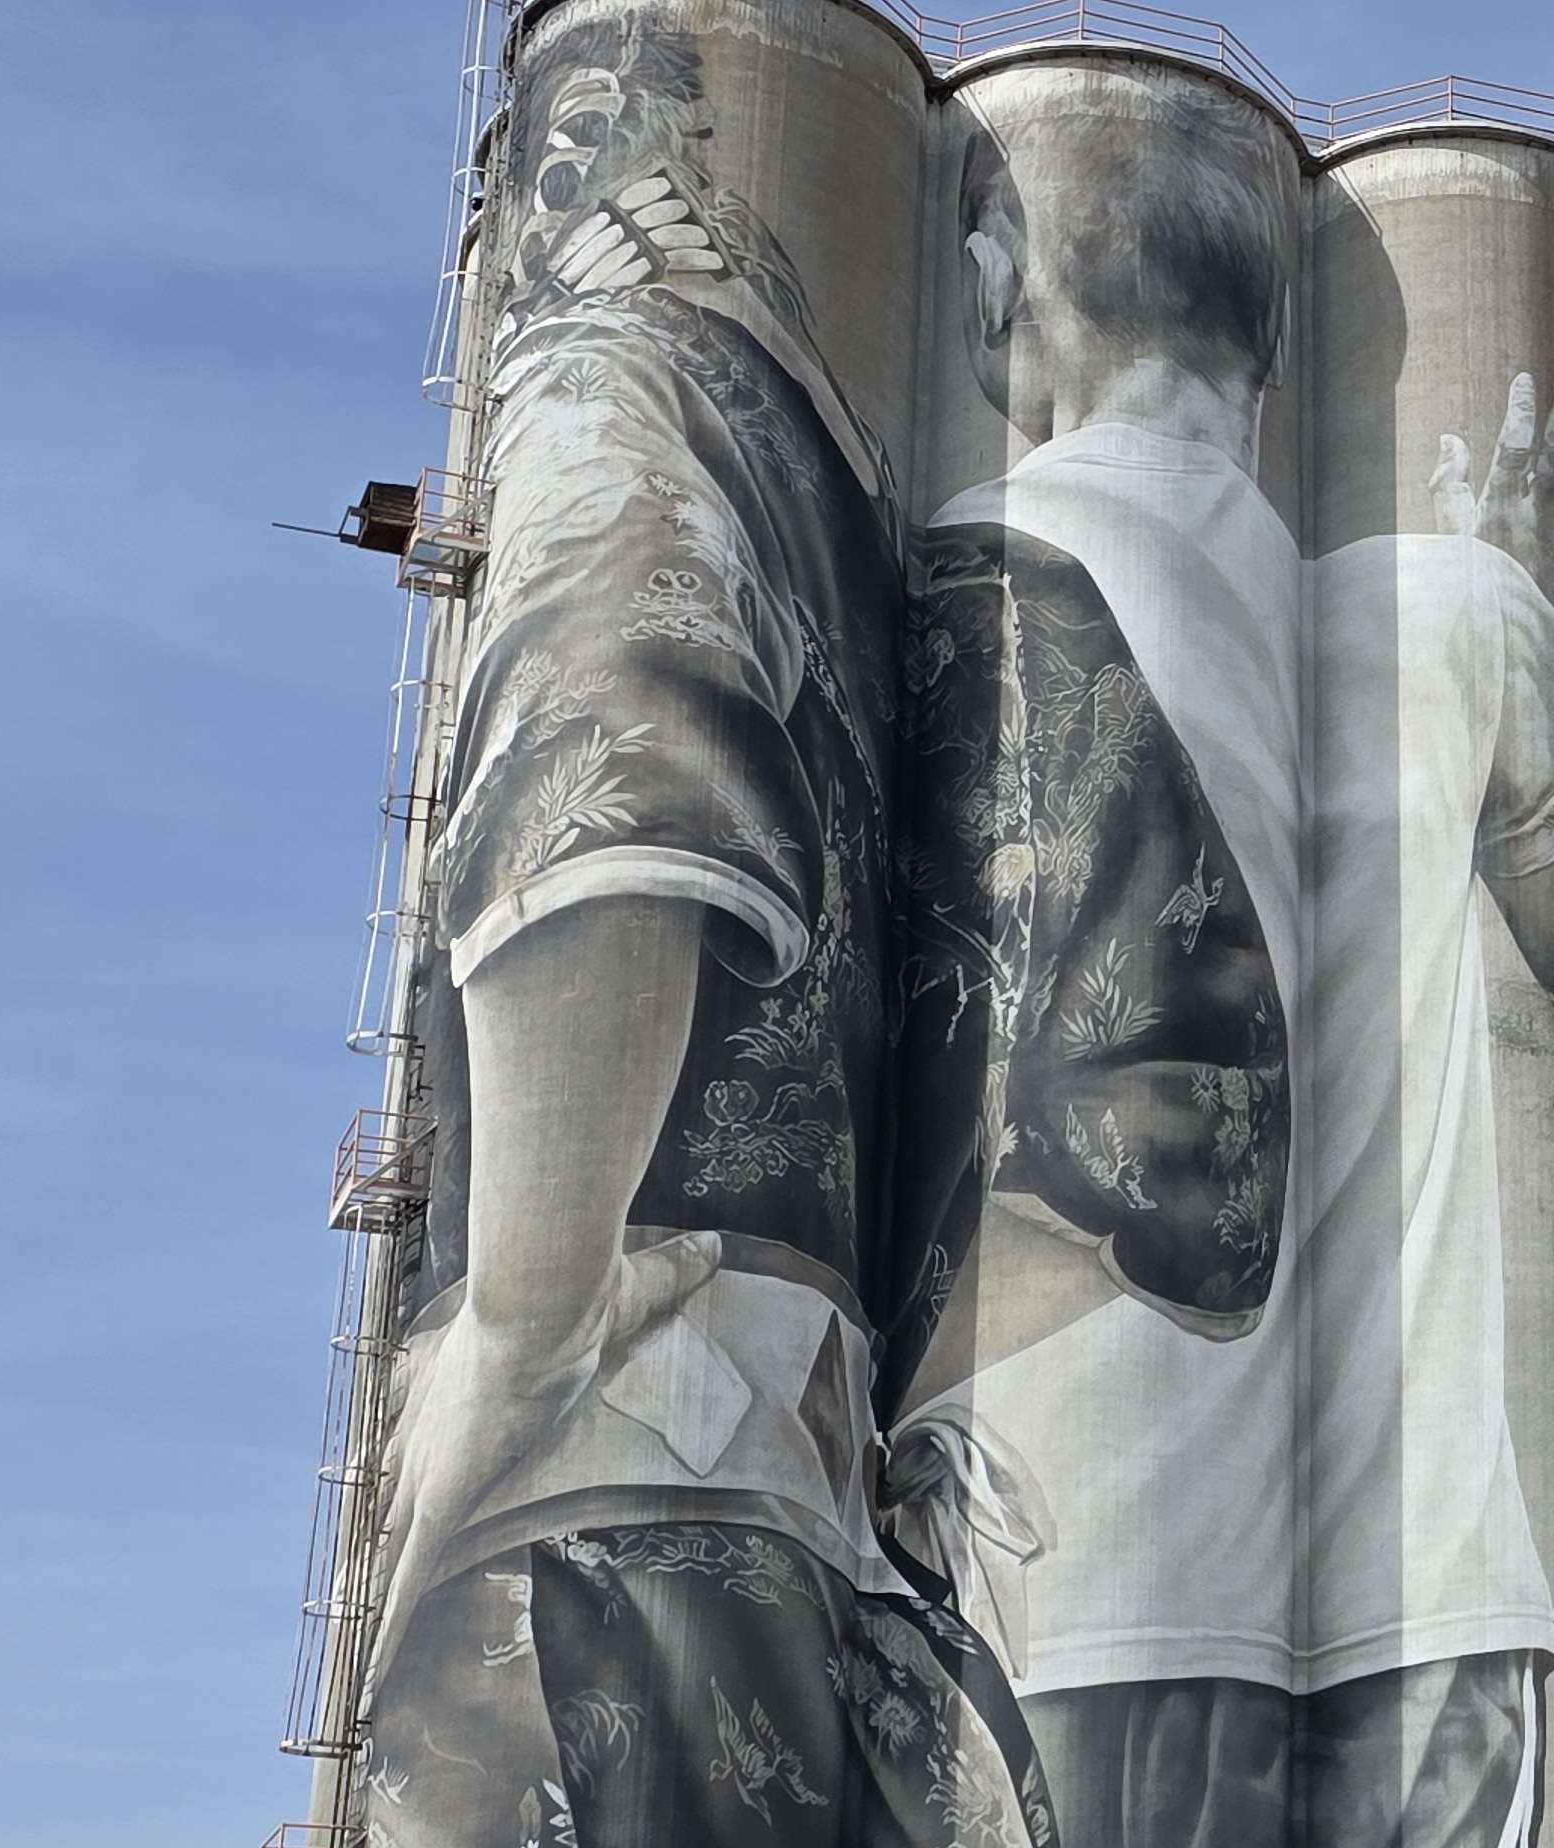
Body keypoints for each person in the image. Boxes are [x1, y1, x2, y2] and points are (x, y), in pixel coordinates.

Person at [875, 63, 1554, 1848]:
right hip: (1433, 1616)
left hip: (1060, 1587)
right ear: (1279, 343)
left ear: (996, 287)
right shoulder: (1448, 615)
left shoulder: (938, 592)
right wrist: (1523, 640)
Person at [359, 14, 1046, 1846]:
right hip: (778, 1500)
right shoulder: (833, 447)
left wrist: (524, 1309)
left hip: (580, 1522)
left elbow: (621, 758)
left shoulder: (607, 381)